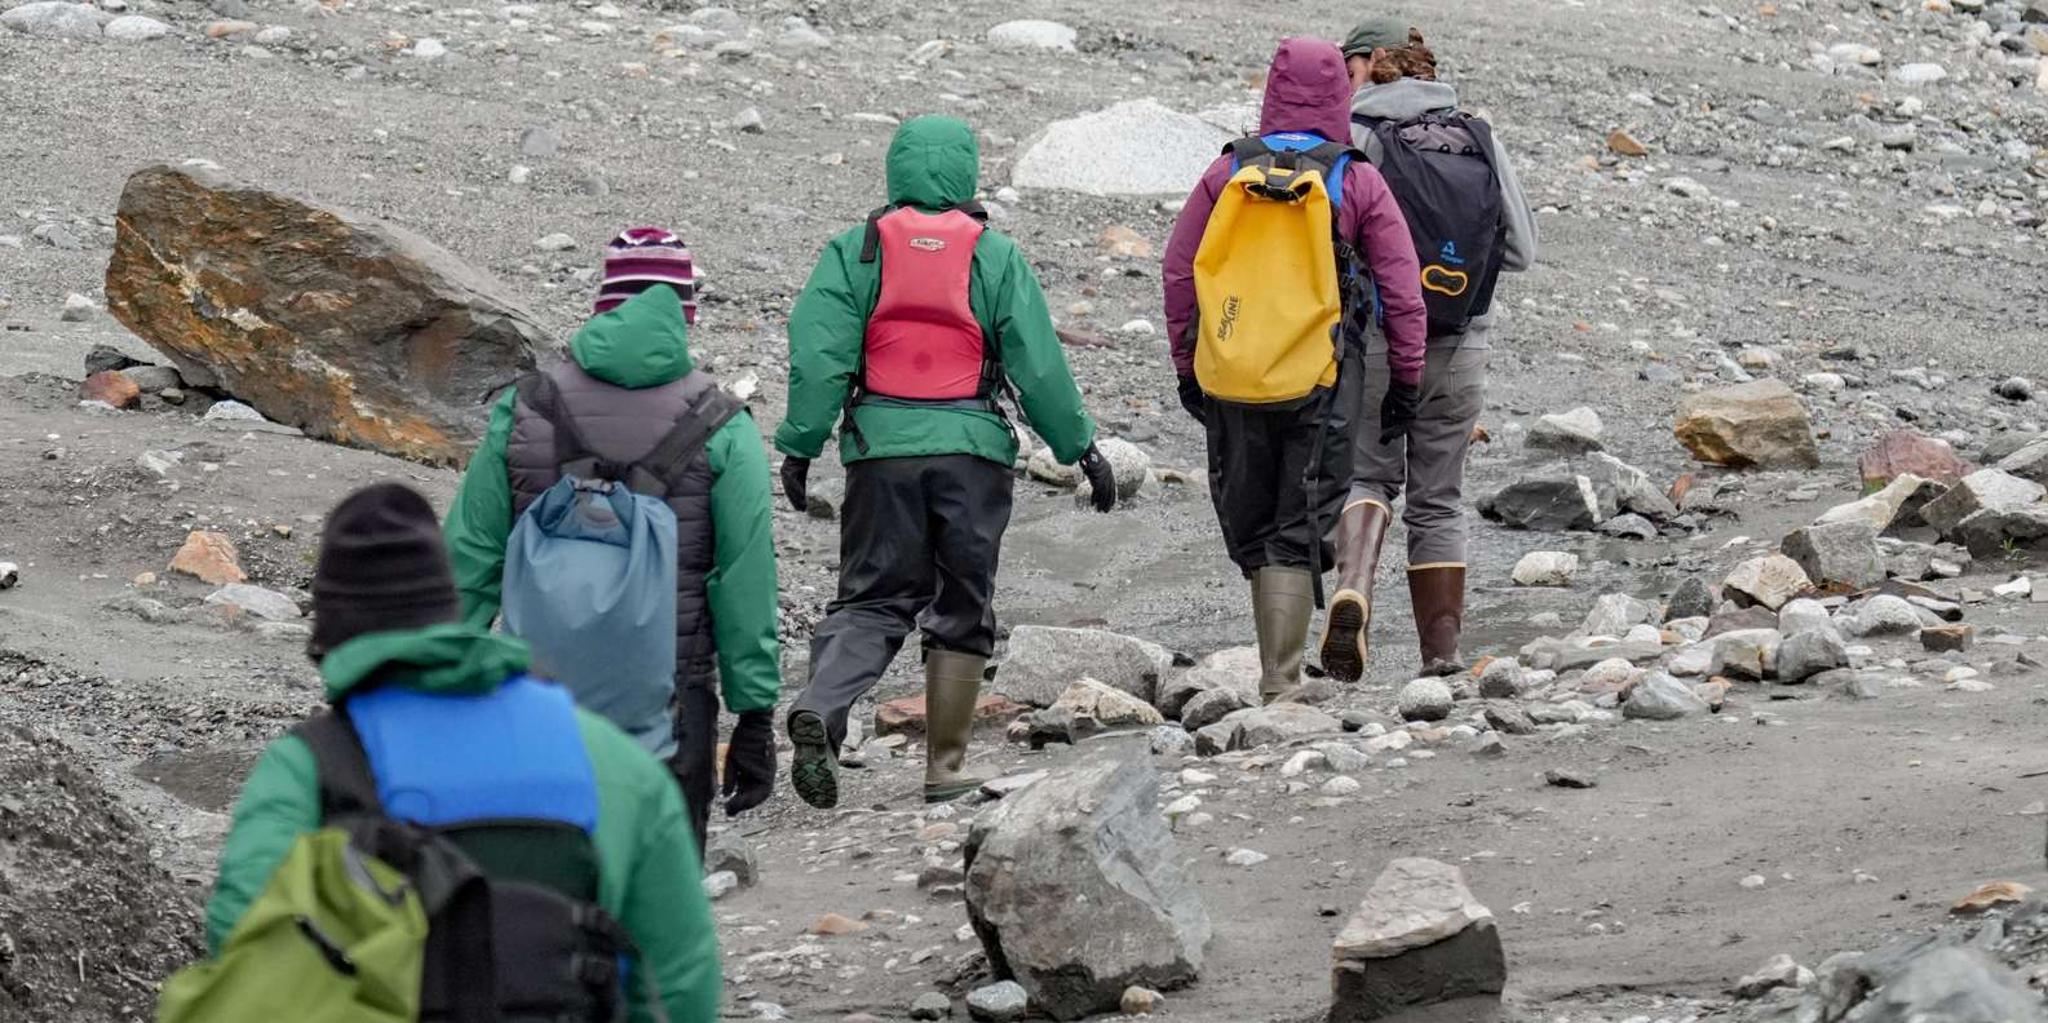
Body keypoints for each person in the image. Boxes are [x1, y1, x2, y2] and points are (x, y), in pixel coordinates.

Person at [204, 483, 720, 1021]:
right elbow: (681, 980)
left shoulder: (307, 767)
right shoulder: (611, 760)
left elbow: (241, 937)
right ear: (448, 612)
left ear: (329, 639)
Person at [776, 115, 1117, 808]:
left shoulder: (854, 252)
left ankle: (822, 703)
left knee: (871, 599)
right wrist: (1079, 448)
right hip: (971, 457)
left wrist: (800, 445)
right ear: (966, 173)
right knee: (962, 603)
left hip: (879, 456)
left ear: (896, 169)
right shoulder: (993, 255)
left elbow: (819, 360)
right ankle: (945, 766)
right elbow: (1038, 368)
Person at [444, 227, 782, 851]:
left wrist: (432, 687)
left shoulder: (526, 407)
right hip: (671, 708)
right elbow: (744, 579)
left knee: (541, 899)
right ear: (685, 311)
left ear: (604, 302)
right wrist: (755, 715)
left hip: (534, 706)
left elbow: (469, 557)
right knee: (659, 915)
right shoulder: (721, 424)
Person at [1164, 37, 1429, 703]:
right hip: (1322, 379)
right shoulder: (1355, 178)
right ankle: (1280, 683)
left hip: (1231, 373)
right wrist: (1406, 379)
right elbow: (1402, 291)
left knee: (1252, 520)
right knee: (1297, 523)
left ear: (1272, 92)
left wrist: (1187, 365)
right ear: (1341, 95)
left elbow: (1178, 270)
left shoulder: (1225, 173)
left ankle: (1272, 669)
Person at [1320, 17, 1538, 679]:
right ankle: (1440, 657)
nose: (1341, 77)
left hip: (1380, 343)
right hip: (1464, 345)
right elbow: (1524, 249)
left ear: (1374, 63)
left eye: (1347, 64)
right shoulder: (1477, 133)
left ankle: (1353, 588)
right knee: (1439, 498)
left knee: (1368, 476)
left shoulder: (1356, 136)